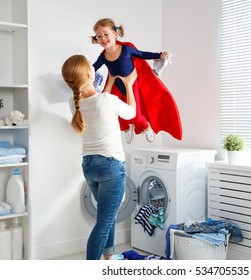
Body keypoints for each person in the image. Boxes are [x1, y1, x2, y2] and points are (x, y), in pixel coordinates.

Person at [61, 54, 137, 260]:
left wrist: (109, 82)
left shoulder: (74, 103)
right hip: (111, 166)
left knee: (107, 214)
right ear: (88, 73)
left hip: (89, 166)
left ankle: (108, 258)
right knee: (104, 222)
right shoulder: (108, 100)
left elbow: (96, 99)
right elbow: (131, 113)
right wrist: (129, 85)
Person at [91, 18, 183, 143]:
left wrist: (159, 55)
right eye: (99, 36)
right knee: (112, 110)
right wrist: (82, 75)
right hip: (117, 85)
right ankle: (126, 128)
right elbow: (93, 68)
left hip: (132, 83)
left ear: (115, 34)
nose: (102, 38)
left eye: (106, 34)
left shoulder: (126, 50)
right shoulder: (103, 57)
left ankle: (146, 126)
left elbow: (142, 54)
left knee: (135, 114)